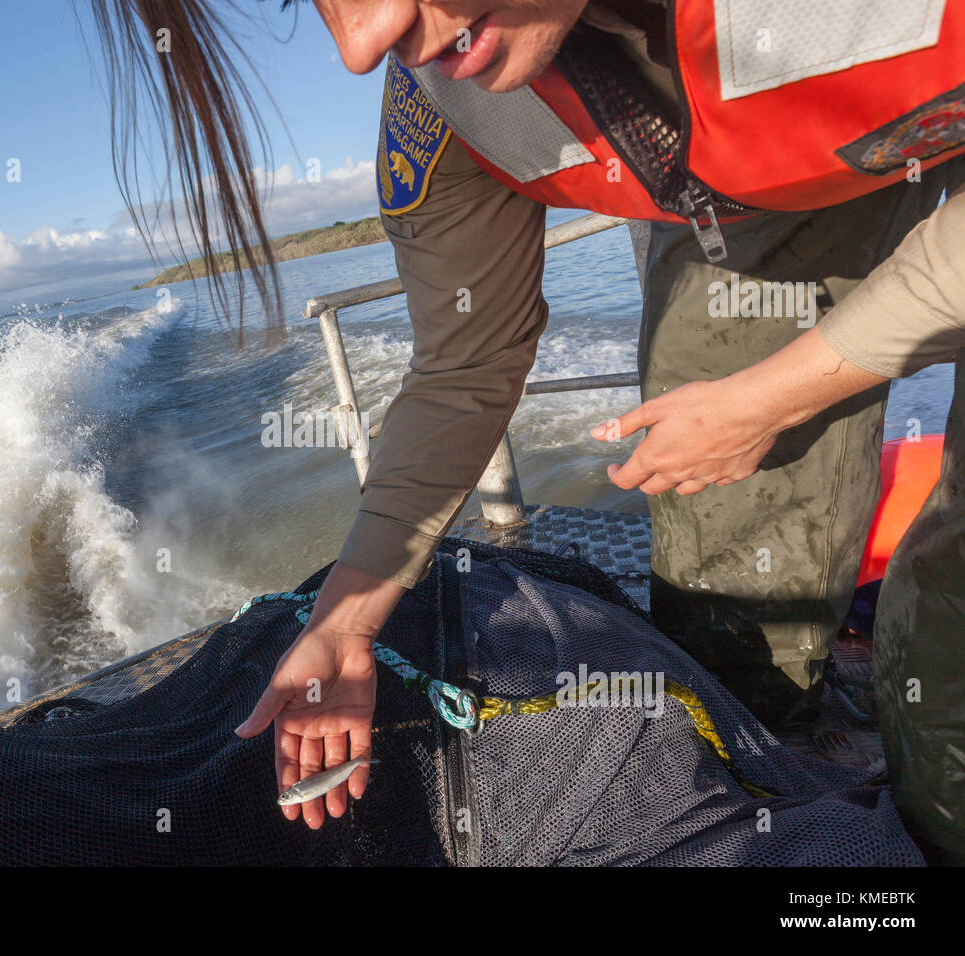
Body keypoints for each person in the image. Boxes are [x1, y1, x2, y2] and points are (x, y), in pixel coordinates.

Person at [92, 1, 965, 859]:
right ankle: (789, 776)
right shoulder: (440, 105)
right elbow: (462, 373)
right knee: (732, 509)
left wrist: (773, 398)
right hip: (759, 195)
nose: (361, 43)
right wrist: (346, 624)